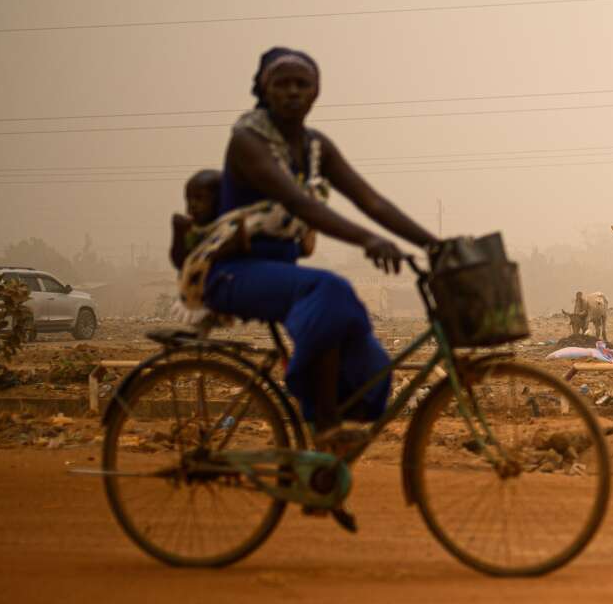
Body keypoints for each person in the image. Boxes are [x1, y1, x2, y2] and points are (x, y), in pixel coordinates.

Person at [177, 47, 437, 452]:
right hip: (234, 272)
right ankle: (322, 423)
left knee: (369, 356)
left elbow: (371, 201)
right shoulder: (248, 140)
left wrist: (436, 244)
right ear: (264, 89)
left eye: (303, 84)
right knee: (331, 290)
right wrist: (368, 240)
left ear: (317, 91)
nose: (293, 92)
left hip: (280, 276)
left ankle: (327, 461)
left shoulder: (316, 147)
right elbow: (302, 205)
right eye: (283, 84)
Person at [166, 169, 223, 272]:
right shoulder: (194, 231)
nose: (192, 205)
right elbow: (181, 263)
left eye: (199, 198)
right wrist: (178, 235)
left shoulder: (228, 228)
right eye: (188, 199)